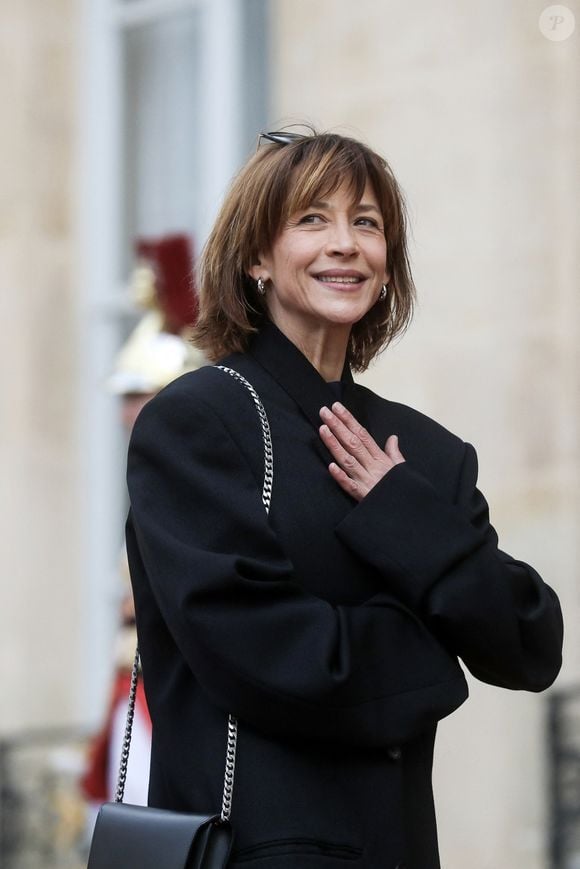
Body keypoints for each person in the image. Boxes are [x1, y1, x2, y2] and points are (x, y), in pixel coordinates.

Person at [125, 131, 564, 869]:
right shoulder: (200, 421)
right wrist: (433, 653)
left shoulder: (424, 452)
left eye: (367, 223)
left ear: (388, 263)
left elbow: (529, 642)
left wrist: (402, 513)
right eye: (311, 220)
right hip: (254, 852)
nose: (345, 244)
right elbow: (265, 656)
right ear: (257, 258)